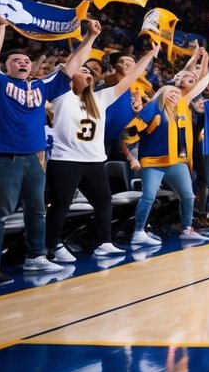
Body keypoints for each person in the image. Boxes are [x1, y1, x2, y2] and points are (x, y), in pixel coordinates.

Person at [0, 16, 98, 284]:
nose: (23, 63)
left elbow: (73, 65)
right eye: (16, 60)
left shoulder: (42, 86)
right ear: (5, 67)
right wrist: (1, 28)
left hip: (34, 157)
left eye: (26, 61)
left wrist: (89, 37)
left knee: (37, 209)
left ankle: (36, 257)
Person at [46, 42, 159, 259]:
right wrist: (91, 37)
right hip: (65, 160)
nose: (87, 73)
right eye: (83, 70)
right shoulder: (61, 96)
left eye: (90, 72)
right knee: (61, 205)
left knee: (103, 202)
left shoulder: (101, 98)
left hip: (94, 161)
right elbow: (71, 65)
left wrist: (150, 55)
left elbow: (130, 77)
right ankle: (51, 247)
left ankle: (105, 242)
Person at [125, 66, 209, 247]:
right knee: (148, 197)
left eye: (178, 93)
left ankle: (186, 229)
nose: (175, 94)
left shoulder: (182, 110)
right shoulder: (153, 109)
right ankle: (138, 232)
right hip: (153, 162)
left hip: (177, 162)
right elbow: (126, 134)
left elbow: (195, 91)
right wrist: (133, 157)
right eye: (170, 91)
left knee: (188, 196)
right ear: (160, 93)